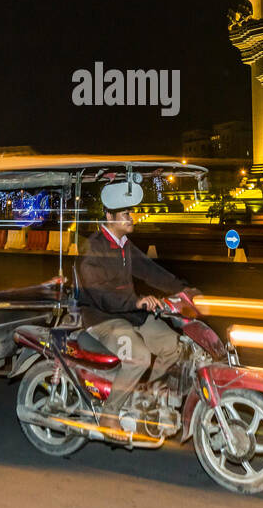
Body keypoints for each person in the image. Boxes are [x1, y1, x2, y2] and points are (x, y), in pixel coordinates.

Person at [76, 174, 201, 423]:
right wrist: (135, 302)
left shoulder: (124, 245)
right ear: (110, 217)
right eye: (125, 213)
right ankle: (109, 415)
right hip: (104, 319)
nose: (131, 217)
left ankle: (146, 397)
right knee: (139, 357)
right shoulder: (94, 248)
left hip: (131, 315)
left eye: (130, 212)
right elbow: (100, 295)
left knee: (174, 347)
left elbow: (150, 270)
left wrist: (183, 290)